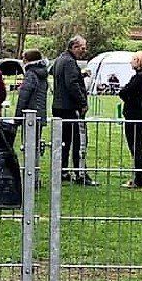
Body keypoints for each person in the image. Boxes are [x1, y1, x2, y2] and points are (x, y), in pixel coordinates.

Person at [52, 35, 97, 185]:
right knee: (80, 141)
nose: (84, 51)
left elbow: (66, 79)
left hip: (59, 106)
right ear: (74, 47)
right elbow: (72, 84)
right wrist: (82, 103)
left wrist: (80, 74)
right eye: (82, 48)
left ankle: (63, 171)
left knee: (63, 142)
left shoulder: (60, 59)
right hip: (70, 108)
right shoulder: (70, 62)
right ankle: (81, 173)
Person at [118, 51, 142, 189]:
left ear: (139, 61)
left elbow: (125, 92)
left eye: (133, 59)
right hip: (140, 114)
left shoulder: (140, 77)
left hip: (135, 115)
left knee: (136, 146)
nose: (131, 62)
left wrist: (126, 96)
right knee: (137, 145)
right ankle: (140, 175)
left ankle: (139, 179)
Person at [16, 49, 48, 154]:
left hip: (30, 113)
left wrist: (17, 117)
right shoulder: (42, 73)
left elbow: (24, 96)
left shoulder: (30, 74)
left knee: (28, 145)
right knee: (36, 144)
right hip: (40, 112)